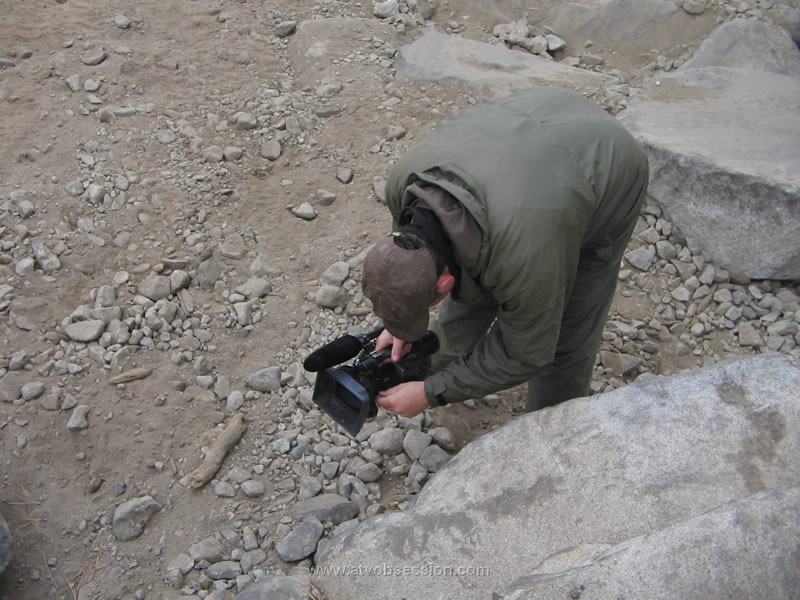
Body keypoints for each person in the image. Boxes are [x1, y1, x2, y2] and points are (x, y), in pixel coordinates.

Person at [361, 86, 650, 419]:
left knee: (566, 335)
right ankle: (437, 363)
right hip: (536, 115)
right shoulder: (404, 185)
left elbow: (527, 353)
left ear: (443, 285)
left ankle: (555, 430)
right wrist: (399, 327)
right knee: (479, 271)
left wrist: (432, 393)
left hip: (607, 164)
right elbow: (439, 257)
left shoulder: (526, 255)